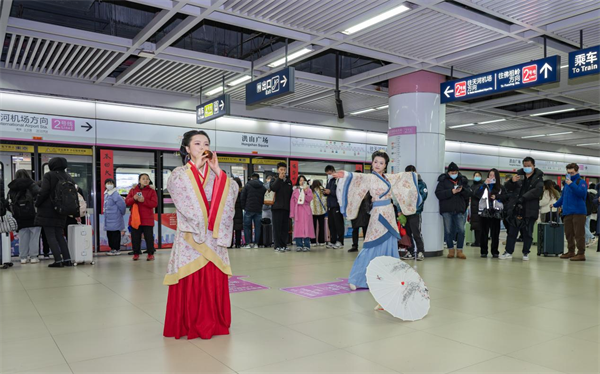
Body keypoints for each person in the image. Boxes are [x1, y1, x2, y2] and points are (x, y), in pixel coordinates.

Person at [163, 130, 239, 340]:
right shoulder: (180, 173)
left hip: (213, 235)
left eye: (206, 143)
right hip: (190, 235)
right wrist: (195, 168)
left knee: (212, 277)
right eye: (197, 144)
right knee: (191, 277)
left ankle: (214, 322)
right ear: (187, 149)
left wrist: (218, 172)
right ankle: (188, 323)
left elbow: (232, 191)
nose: (203, 147)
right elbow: (176, 187)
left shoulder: (218, 175)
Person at [334, 151, 419, 290]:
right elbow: (358, 177)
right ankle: (358, 278)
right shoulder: (369, 178)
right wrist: (346, 175)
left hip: (389, 214)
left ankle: (391, 279)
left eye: (381, 163)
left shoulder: (389, 178)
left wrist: (413, 176)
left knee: (390, 245)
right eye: (375, 162)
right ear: (372, 163)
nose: (378, 165)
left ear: (385, 166)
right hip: (378, 214)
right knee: (371, 245)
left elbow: (402, 178)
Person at [501, 157, 544, 261]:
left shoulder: (538, 178)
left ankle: (526, 252)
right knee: (512, 231)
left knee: (527, 233)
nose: (527, 168)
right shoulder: (518, 176)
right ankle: (508, 251)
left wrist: (524, 197)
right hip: (516, 208)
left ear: (533, 166)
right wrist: (511, 181)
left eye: (529, 166)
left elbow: (537, 191)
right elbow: (506, 188)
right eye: (525, 166)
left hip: (530, 209)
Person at [34, 157, 73, 268]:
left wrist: (37, 203)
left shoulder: (49, 175)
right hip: (62, 210)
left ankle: (58, 260)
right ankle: (67, 259)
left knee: (50, 235)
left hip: (48, 210)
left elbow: (44, 192)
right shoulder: (67, 176)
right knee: (60, 236)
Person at [435, 162, 472, 259]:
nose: (454, 173)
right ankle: (450, 250)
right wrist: (451, 191)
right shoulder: (443, 180)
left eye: (455, 172)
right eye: (452, 172)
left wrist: (462, 190)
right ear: (448, 172)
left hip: (459, 210)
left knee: (461, 230)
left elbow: (469, 193)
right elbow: (438, 194)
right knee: (448, 231)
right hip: (447, 210)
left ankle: (460, 250)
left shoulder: (463, 180)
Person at [553, 163, 588, 261]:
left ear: (576, 171)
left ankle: (581, 253)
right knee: (568, 233)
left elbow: (581, 193)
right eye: (568, 172)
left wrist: (571, 184)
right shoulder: (566, 184)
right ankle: (571, 251)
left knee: (579, 233)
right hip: (567, 212)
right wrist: (555, 204)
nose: (570, 174)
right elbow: (563, 197)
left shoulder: (581, 182)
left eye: (572, 172)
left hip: (579, 212)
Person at [7, 170, 41, 264]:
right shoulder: (33, 185)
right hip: (34, 216)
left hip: (19, 217)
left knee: (23, 237)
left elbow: (8, 202)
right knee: (34, 236)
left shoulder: (12, 187)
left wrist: (15, 212)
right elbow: (40, 196)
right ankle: (33, 257)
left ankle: (23, 258)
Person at [474, 169, 507, 258]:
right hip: (484, 212)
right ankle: (483, 251)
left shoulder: (501, 187)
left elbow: (505, 197)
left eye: (493, 175)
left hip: (496, 213)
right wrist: (484, 184)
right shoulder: (484, 186)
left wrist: (497, 197)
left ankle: (495, 251)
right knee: (484, 233)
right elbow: (476, 195)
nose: (491, 177)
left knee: (495, 234)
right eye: (490, 175)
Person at [126, 173, 158, 261]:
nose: (145, 180)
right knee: (135, 237)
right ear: (139, 180)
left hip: (148, 219)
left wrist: (144, 201)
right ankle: (136, 253)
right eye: (143, 178)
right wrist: (134, 199)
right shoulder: (133, 190)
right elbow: (127, 202)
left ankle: (150, 254)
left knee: (149, 237)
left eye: (147, 179)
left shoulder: (152, 191)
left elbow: (154, 204)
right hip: (136, 219)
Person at [401, 165, 428, 260]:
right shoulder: (403, 184)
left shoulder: (421, 184)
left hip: (415, 213)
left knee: (416, 233)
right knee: (407, 234)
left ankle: (420, 252)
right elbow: (400, 198)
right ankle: (410, 251)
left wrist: (414, 206)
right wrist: (401, 211)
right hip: (405, 212)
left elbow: (423, 196)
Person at [270, 162, 293, 252]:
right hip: (276, 207)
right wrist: (279, 179)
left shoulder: (288, 181)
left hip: (286, 208)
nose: (283, 171)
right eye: (281, 170)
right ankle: (277, 245)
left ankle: (284, 244)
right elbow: (273, 188)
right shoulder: (274, 179)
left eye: (284, 170)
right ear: (278, 170)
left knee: (285, 228)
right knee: (277, 228)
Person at [241, 173, 266, 249]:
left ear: (251, 178)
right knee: (257, 227)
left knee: (247, 226)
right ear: (258, 178)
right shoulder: (263, 187)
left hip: (248, 209)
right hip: (258, 209)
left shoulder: (247, 186)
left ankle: (248, 243)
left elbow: (242, 197)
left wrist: (243, 207)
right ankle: (256, 244)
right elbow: (265, 198)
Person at [290, 175, 315, 252]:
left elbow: (310, 199)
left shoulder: (309, 190)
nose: (302, 182)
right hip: (298, 210)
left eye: (303, 180)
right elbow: (292, 203)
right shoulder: (295, 191)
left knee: (307, 227)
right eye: (300, 180)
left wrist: (306, 192)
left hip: (306, 210)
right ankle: (299, 244)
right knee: (298, 228)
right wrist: (292, 213)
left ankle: (307, 245)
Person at [103, 178, 126, 256]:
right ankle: (112, 249)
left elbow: (122, 205)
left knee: (115, 234)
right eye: (107, 183)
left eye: (111, 183)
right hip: (108, 219)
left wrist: (121, 213)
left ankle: (116, 249)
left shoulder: (115, 194)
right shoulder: (106, 194)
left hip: (115, 218)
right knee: (110, 234)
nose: (109, 185)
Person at [324, 165, 345, 249]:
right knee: (331, 224)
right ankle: (333, 241)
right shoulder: (329, 180)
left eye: (330, 173)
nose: (329, 175)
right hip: (330, 205)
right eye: (327, 174)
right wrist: (325, 192)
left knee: (338, 224)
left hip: (336, 205)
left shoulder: (338, 180)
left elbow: (340, 192)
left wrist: (330, 192)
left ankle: (340, 241)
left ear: (333, 171)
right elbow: (328, 191)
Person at [350, 189, 371, 253]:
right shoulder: (354, 187)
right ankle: (355, 245)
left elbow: (368, 197)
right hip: (355, 210)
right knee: (355, 228)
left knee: (365, 228)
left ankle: (366, 245)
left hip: (365, 209)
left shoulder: (367, 188)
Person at [310, 179, 327, 247]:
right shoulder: (322, 189)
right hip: (321, 211)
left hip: (313, 211)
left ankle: (313, 242)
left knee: (313, 227)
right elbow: (325, 199)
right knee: (321, 227)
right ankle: (321, 241)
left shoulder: (311, 190)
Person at [469, 172, 484, 247]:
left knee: (480, 225)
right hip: (473, 208)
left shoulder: (482, 186)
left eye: (478, 176)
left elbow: (477, 194)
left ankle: (479, 241)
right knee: (475, 225)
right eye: (475, 175)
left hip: (480, 208)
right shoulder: (472, 185)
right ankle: (477, 241)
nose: (476, 177)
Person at [231, 177, 243, 248]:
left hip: (231, 211)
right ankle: (238, 243)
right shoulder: (241, 191)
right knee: (238, 228)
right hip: (239, 211)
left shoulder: (230, 191)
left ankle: (230, 243)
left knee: (231, 228)